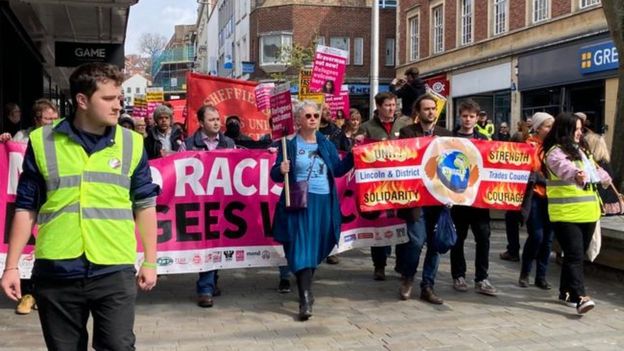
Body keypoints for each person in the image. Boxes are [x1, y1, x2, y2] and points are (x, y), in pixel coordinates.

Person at [0, 62, 158, 350]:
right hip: (57, 269)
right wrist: (11, 267)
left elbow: (145, 205)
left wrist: (150, 260)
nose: (117, 106)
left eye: (119, 98)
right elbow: (26, 207)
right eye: (108, 99)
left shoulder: (132, 143)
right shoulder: (42, 141)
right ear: (82, 101)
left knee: (119, 346)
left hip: (114, 267)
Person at [271, 100, 354, 321]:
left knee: (315, 246)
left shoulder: (325, 144)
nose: (313, 119)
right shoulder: (288, 145)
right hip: (300, 202)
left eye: (315, 116)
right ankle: (305, 297)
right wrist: (280, 169)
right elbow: (275, 175)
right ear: (298, 119)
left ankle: (306, 288)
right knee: (300, 246)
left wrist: (355, 156)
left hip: (324, 202)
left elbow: (337, 169)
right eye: (308, 116)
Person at [543, 112, 611, 314]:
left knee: (577, 255)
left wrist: (605, 177)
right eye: (576, 130)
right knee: (573, 254)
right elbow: (565, 168)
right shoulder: (554, 152)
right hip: (565, 213)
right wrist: (576, 175)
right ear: (565, 129)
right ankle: (581, 296)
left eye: (581, 130)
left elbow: (595, 170)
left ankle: (566, 292)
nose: (579, 134)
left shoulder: (582, 150)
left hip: (588, 212)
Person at [396, 94, 452, 304]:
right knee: (417, 241)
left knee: (435, 244)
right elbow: (402, 159)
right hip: (416, 199)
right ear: (418, 113)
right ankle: (408, 277)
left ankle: (428, 285)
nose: (430, 112)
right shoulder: (407, 133)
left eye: (433, 108)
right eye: (426, 109)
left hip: (439, 199)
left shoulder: (446, 135)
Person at [180, 105, 235, 308]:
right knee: (206, 243)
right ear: (201, 123)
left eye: (218, 119)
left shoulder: (229, 143)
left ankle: (212, 281)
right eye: (211, 119)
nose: (216, 122)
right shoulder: (188, 144)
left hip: (223, 203)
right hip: (199, 203)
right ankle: (205, 288)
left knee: (217, 243)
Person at [360, 92, 413, 280]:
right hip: (378, 185)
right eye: (388, 105)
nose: (392, 108)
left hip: (403, 184)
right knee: (380, 225)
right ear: (379, 106)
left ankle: (401, 263)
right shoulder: (367, 127)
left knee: (403, 223)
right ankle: (379, 265)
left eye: (394, 105)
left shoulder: (406, 124)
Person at [450, 99, 497, 296]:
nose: (468, 120)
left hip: (478, 200)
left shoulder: (485, 142)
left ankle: (482, 278)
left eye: (471, 116)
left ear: (477, 118)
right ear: (459, 117)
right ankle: (458, 275)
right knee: (458, 239)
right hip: (457, 199)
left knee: (483, 238)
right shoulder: (449, 140)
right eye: (464, 116)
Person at [518, 112, 555, 290]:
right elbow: (529, 170)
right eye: (548, 126)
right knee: (537, 236)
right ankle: (525, 272)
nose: (551, 129)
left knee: (548, 239)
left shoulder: (555, 147)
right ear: (538, 127)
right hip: (535, 196)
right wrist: (545, 180)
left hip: (553, 197)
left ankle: (541, 276)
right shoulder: (529, 145)